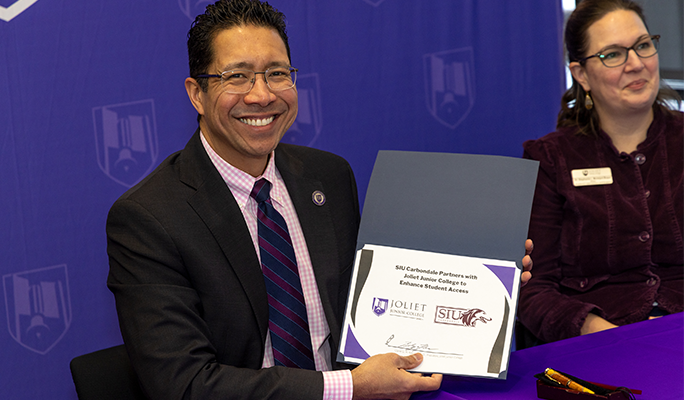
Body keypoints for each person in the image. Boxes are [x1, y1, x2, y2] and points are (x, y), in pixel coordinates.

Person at [107, 0, 532, 398]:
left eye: (277, 73)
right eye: (237, 76)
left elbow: (371, 303)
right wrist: (348, 388)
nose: (262, 95)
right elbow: (183, 385)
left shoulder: (327, 175)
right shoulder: (148, 218)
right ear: (196, 93)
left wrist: (481, 286)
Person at [519, 0, 682, 345]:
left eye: (642, 46)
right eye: (612, 54)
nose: (636, 64)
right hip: (600, 345)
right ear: (581, 74)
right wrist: (605, 337)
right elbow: (534, 290)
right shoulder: (549, 159)